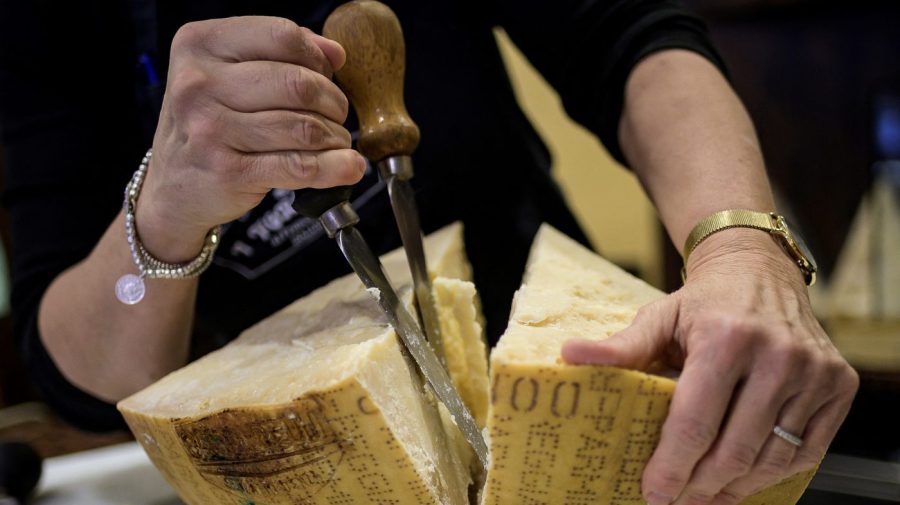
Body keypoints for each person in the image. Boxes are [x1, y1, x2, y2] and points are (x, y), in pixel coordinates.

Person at [0, 1, 857, 504]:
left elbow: (626, 35)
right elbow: (82, 380)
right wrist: (165, 208)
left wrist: (741, 250)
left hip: (563, 391)